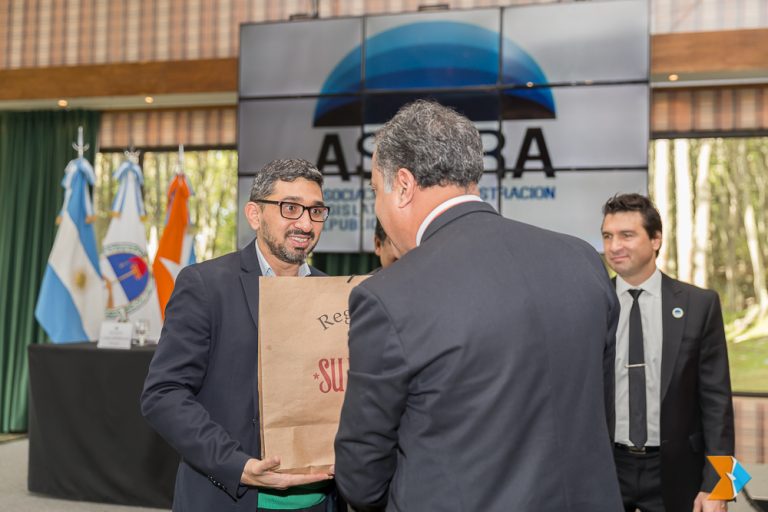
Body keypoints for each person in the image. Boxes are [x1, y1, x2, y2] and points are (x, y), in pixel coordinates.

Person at [333, 100, 623, 511]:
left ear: (404, 185)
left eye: (375, 191)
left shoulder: (389, 295)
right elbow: (598, 414)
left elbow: (362, 476)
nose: (377, 207)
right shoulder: (582, 261)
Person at [141, 159, 337, 512]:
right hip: (232, 497)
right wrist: (238, 466)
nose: (305, 223)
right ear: (254, 214)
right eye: (290, 208)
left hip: (321, 500)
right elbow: (163, 394)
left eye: (316, 211)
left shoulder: (335, 295)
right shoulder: (205, 286)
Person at [601, 193, 735, 512]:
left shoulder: (699, 305)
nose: (614, 246)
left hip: (678, 473)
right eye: (607, 236)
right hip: (606, 470)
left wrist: (721, 487)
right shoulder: (592, 303)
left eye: (627, 235)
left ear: (656, 239)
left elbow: (718, 404)